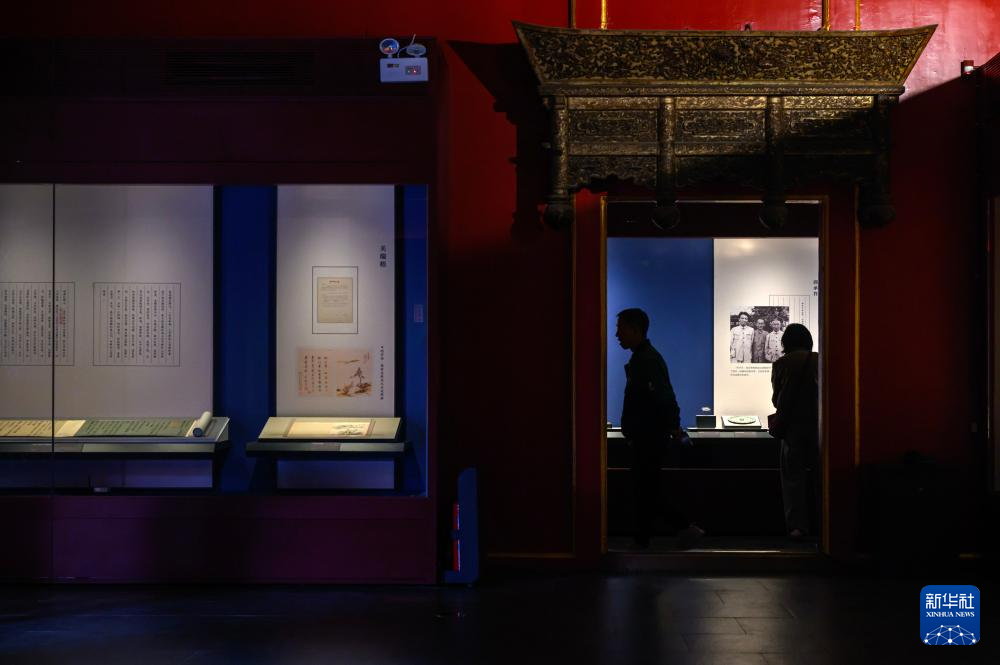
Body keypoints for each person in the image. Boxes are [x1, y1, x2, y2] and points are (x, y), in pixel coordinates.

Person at [616, 307, 703, 549]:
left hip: (648, 437)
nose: (617, 334)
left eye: (620, 328)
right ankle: (646, 540)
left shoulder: (647, 360)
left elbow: (664, 397)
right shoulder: (644, 358)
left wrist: (673, 425)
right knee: (646, 490)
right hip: (646, 435)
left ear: (635, 330)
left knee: (645, 490)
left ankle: (681, 529)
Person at [770, 323, 819, 539]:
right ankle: (823, 522)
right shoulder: (819, 360)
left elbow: (776, 400)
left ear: (786, 342)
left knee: (792, 479)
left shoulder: (782, 364)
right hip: (818, 428)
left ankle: (797, 526)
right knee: (820, 476)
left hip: (792, 429)